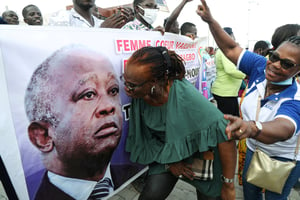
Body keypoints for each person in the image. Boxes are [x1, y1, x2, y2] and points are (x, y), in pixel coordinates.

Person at [197, 0, 300, 199]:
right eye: (274, 56)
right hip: (253, 150)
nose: (276, 65)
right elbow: (230, 48)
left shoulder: (295, 98)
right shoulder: (260, 66)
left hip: (282, 159)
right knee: (250, 195)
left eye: (287, 64)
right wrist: (210, 21)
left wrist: (252, 128)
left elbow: (284, 128)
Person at [24, 45, 137, 200]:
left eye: (113, 91)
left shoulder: (131, 173)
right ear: (43, 136)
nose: (109, 106)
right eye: (88, 94)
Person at [123, 46, 236, 200]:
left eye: (132, 85)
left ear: (154, 82)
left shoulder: (186, 97)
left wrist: (229, 185)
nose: (127, 88)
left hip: (202, 157)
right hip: (167, 155)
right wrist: (171, 163)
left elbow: (225, 134)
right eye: (125, 80)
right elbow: (146, 139)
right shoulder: (140, 94)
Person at [211, 27, 246, 117]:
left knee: (234, 118)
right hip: (225, 93)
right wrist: (246, 75)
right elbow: (230, 70)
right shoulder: (224, 51)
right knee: (228, 122)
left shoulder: (225, 50)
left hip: (229, 92)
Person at [48, 0, 130, 28]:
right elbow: (62, 50)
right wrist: (100, 32)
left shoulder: (101, 23)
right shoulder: (60, 18)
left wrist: (126, 24)